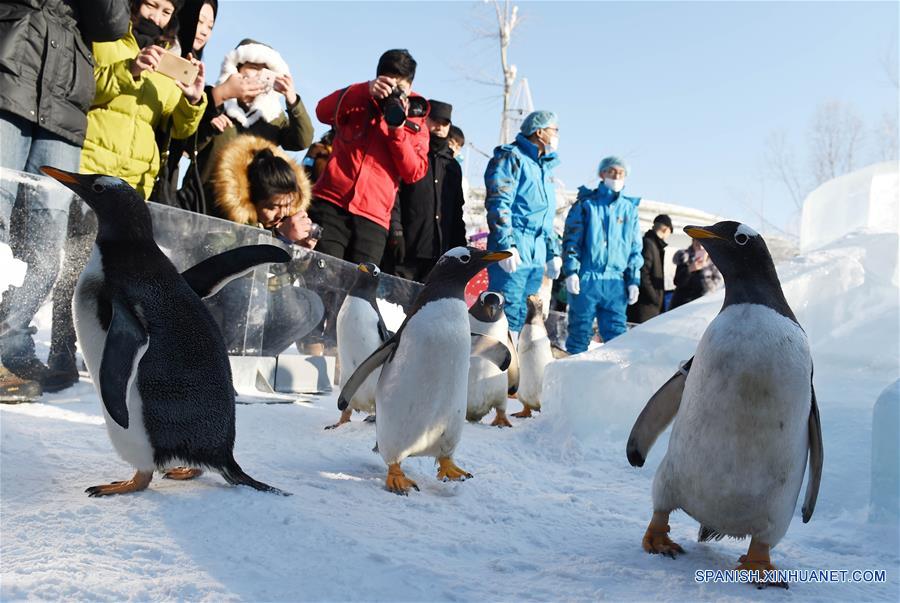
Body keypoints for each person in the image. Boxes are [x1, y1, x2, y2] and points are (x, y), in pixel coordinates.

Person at [0, 0, 130, 399]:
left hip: (64, 107)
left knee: (46, 243)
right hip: (9, 76)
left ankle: (12, 345)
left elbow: (113, 23)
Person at [308, 49, 430, 265]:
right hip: (330, 204)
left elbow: (413, 173)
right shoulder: (359, 98)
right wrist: (364, 91)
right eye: (389, 85)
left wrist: (397, 131)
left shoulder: (417, 120)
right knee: (321, 275)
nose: (393, 94)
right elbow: (322, 112)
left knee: (360, 283)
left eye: (400, 88)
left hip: (374, 218)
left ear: (410, 88)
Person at [208, 135, 323, 356]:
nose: (281, 213)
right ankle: (219, 357)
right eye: (272, 207)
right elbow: (223, 266)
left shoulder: (281, 220)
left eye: (287, 205)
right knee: (245, 293)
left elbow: (280, 281)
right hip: (220, 307)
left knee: (310, 304)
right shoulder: (226, 215)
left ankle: (258, 357)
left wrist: (299, 252)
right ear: (251, 199)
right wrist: (279, 239)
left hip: (261, 305)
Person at [174, 37, 314, 215]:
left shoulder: (273, 117)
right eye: (253, 68)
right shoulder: (213, 100)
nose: (257, 75)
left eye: (265, 71)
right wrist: (209, 126)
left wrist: (292, 100)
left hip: (246, 212)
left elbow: (302, 140)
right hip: (200, 202)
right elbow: (187, 146)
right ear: (237, 68)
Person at [483, 110, 561, 336]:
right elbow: (499, 201)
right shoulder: (511, 157)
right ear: (540, 132)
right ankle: (495, 357)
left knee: (527, 314)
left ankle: (517, 356)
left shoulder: (543, 168)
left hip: (536, 253)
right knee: (504, 312)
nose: (556, 136)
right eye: (554, 130)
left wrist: (552, 252)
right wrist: (505, 243)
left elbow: (545, 217)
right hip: (515, 245)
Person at [562, 156, 643, 353]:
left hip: (615, 282)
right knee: (579, 333)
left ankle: (613, 373)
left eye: (621, 173)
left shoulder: (629, 210)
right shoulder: (586, 205)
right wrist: (571, 270)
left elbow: (635, 248)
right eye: (611, 172)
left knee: (618, 337)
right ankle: (574, 370)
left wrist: (633, 279)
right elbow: (572, 239)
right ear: (602, 173)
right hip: (587, 278)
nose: (616, 176)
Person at [384, 99, 467, 282]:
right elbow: (394, 194)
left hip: (438, 255)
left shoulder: (452, 167)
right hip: (406, 248)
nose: (439, 127)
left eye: (444, 123)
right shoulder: (412, 154)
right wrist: (396, 230)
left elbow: (456, 210)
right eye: (435, 121)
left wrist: (460, 247)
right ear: (425, 121)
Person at [150, 0, 219, 206]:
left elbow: (182, 133)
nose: (204, 31)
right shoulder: (159, 51)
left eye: (210, 26)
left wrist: (194, 100)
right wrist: (219, 95)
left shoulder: (195, 68)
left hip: (160, 173)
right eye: (200, 21)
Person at [627, 214, 672, 324]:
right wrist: (655, 297)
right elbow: (643, 273)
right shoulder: (648, 244)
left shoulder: (654, 245)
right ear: (666, 229)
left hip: (648, 307)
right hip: (644, 307)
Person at [670, 238, 723, 309]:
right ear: (693, 243)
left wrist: (704, 273)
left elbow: (718, 285)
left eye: (703, 245)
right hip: (681, 304)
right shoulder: (684, 257)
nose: (700, 248)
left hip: (702, 305)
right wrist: (689, 269)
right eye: (697, 244)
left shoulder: (714, 261)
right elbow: (677, 282)